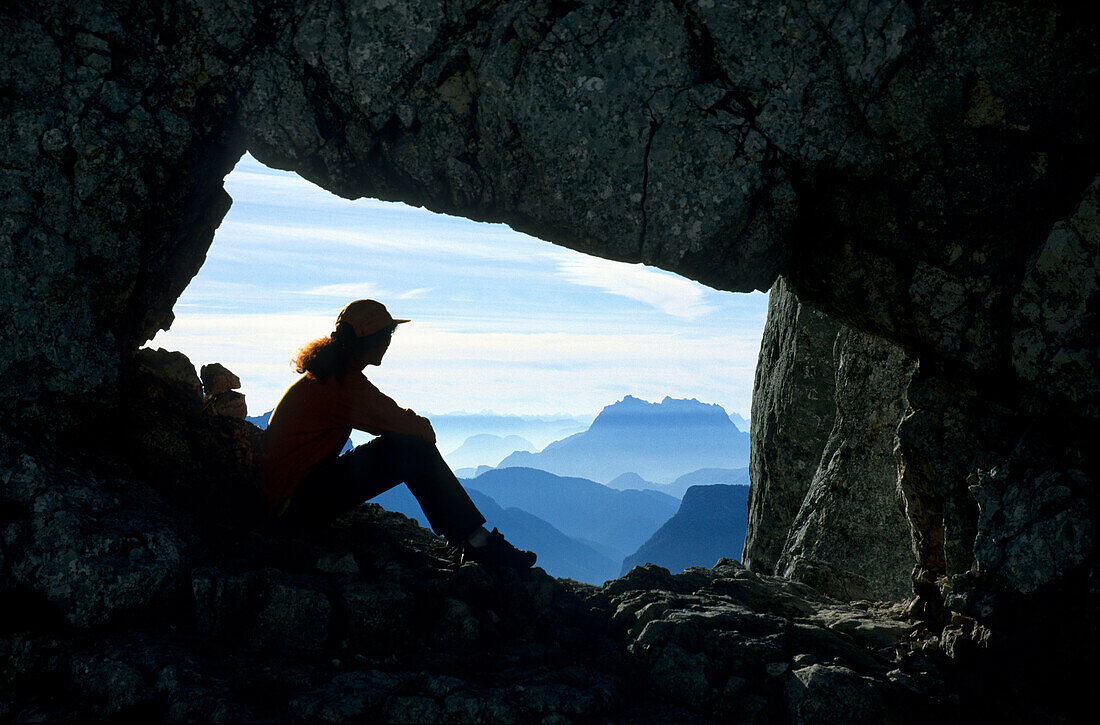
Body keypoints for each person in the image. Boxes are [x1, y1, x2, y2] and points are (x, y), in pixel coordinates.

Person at [260, 299, 536, 571]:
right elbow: (415, 430)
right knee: (411, 448)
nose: (389, 343)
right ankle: (477, 542)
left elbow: (388, 417)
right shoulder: (342, 384)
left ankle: (471, 538)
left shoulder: (328, 374)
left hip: (289, 498)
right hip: (293, 508)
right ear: (371, 340)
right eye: (387, 336)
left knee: (405, 445)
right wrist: (417, 425)